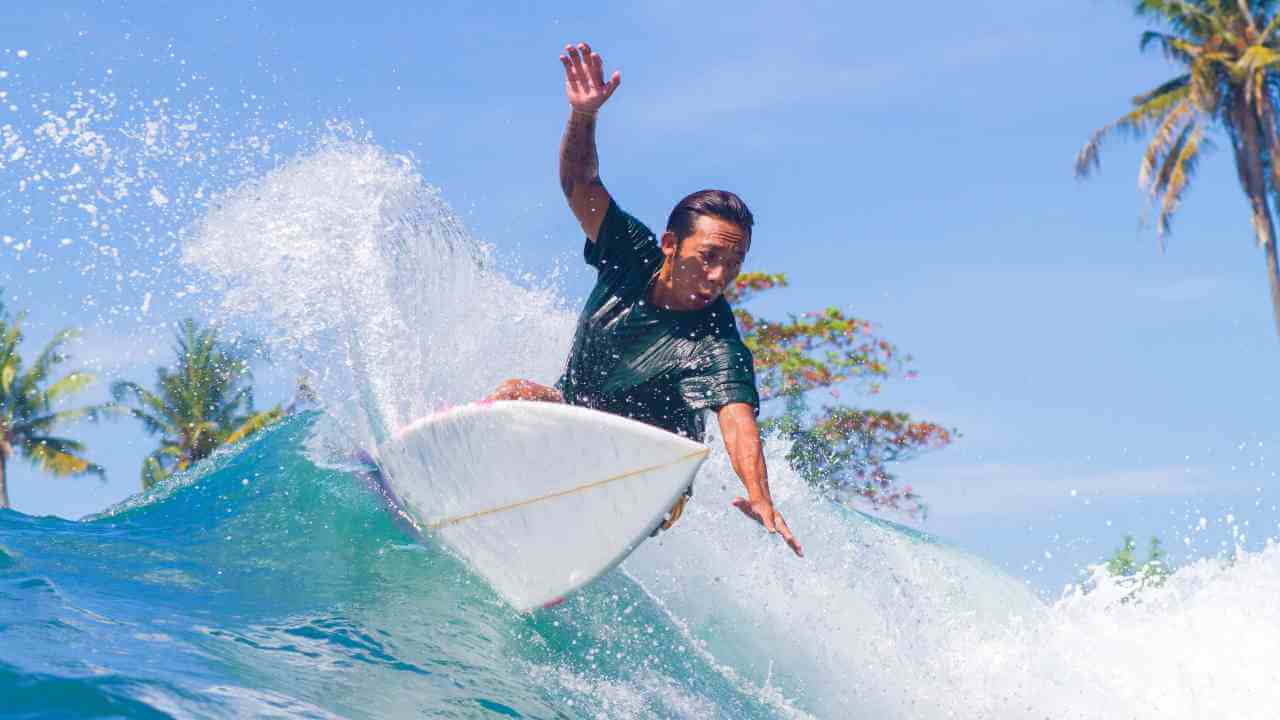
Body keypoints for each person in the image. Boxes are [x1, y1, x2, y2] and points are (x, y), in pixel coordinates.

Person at [487, 42, 802, 557]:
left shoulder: (715, 342)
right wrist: (583, 114)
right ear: (670, 245)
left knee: (590, 454)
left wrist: (760, 495)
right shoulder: (628, 253)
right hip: (576, 423)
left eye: (734, 262)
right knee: (518, 393)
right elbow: (579, 182)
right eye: (707, 257)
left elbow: (737, 418)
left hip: (646, 479)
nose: (719, 274)